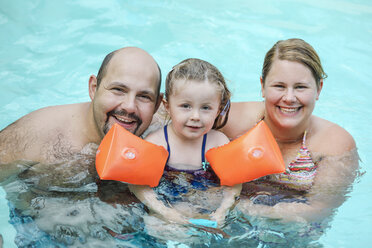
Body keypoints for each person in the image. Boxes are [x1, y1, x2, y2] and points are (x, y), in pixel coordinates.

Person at [221, 38, 360, 224]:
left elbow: (319, 209)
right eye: (279, 86)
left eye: (300, 87)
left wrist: (243, 208)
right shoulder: (231, 121)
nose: (289, 98)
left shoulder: (334, 144)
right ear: (262, 86)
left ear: (319, 89)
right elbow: (176, 115)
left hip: (291, 235)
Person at [0, 47, 163, 165]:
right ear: (93, 88)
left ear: (157, 104)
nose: (129, 107)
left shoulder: (167, 129)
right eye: (118, 90)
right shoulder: (35, 135)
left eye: (143, 96)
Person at [129, 58, 242, 227]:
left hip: (207, 206)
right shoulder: (157, 143)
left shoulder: (218, 142)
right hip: (166, 208)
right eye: (185, 106)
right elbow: (138, 186)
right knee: (155, 227)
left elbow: (233, 184)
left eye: (205, 108)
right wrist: (165, 212)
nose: (195, 116)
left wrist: (222, 211)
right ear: (167, 106)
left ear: (218, 109)